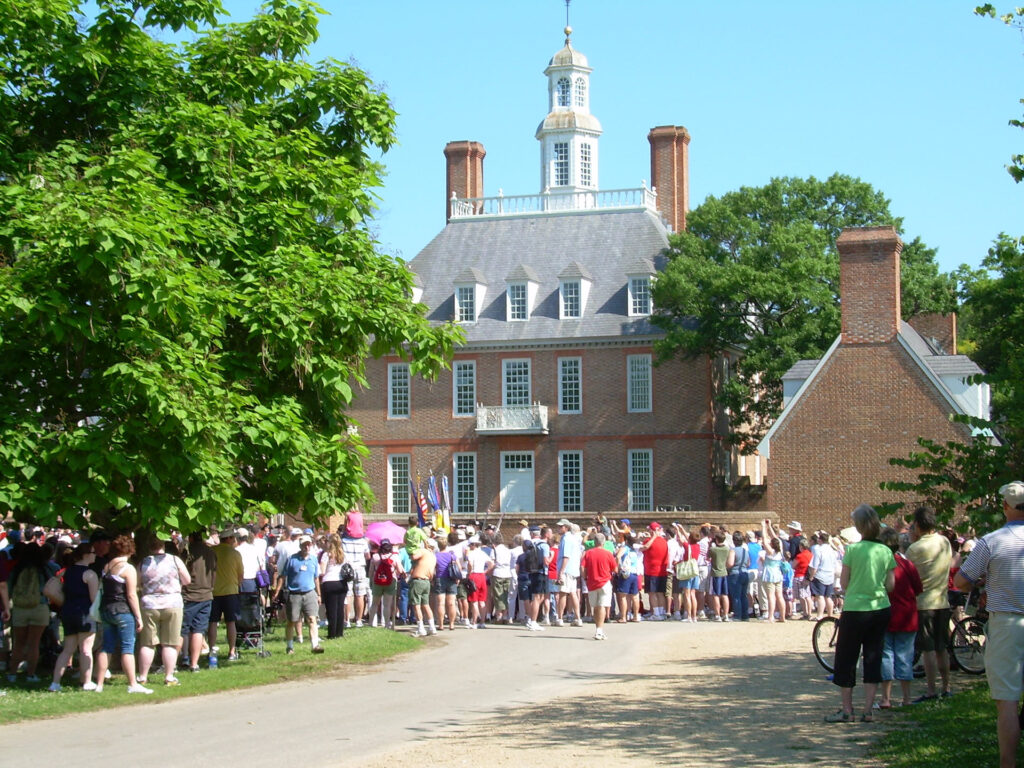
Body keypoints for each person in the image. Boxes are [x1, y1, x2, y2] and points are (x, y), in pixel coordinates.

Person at [954, 481, 1024, 768]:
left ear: (1006, 506)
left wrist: (983, 580)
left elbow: (960, 581)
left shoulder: (992, 541)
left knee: (1007, 699)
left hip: (1007, 622)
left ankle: (1007, 763)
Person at [824, 504, 895, 723]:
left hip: (855, 608)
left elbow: (844, 583)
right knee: (873, 656)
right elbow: (890, 584)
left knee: (846, 657)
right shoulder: (885, 551)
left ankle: (847, 709)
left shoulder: (852, 550)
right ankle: (868, 710)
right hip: (879, 607)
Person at [905, 504, 953, 701]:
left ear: (917, 525)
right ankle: (947, 687)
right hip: (942, 600)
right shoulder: (944, 542)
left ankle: (931, 690)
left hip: (923, 603)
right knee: (943, 648)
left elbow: (907, 575)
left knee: (928, 649)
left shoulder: (915, 549)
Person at [95, 534, 152, 694]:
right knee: (128, 647)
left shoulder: (106, 568)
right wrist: (139, 616)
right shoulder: (128, 569)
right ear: (130, 550)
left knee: (106, 647)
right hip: (123, 611)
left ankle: (99, 684)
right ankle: (133, 684)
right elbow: (131, 595)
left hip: (106, 610)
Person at [878, 527, 922, 709]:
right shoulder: (907, 565)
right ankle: (906, 697)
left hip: (885, 614)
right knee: (905, 656)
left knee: (886, 656)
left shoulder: (879, 566)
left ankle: (886, 698)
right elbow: (918, 588)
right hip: (907, 615)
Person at [137, 537, 191, 686]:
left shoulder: (144, 562)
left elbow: (137, 581)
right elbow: (187, 580)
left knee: (148, 643)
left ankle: (142, 676)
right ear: (164, 545)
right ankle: (169, 676)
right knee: (170, 643)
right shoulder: (174, 560)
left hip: (150, 604)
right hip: (172, 603)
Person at [49, 543, 100, 691]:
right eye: (92, 552)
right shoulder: (90, 574)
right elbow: (94, 598)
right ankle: (87, 681)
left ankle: (55, 682)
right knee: (86, 649)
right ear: (85, 555)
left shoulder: (67, 572)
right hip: (85, 613)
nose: (95, 555)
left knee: (67, 649)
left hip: (68, 612)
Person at [6, 542, 55, 684]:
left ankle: (13, 673)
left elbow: (9, 589)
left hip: (20, 608)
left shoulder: (17, 569)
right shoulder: (45, 568)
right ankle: (30, 674)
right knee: (34, 643)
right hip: (40, 607)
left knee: (19, 643)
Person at [274, 535, 324, 654]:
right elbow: (283, 576)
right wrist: (277, 591)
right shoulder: (292, 559)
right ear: (300, 546)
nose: (307, 547)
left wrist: (319, 594)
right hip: (294, 594)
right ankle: (290, 646)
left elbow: (316, 578)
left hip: (310, 593)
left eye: (309, 544)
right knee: (292, 621)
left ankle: (315, 645)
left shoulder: (313, 559)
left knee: (312, 619)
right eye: (305, 545)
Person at [180, 531, 217, 672]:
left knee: (182, 630)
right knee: (198, 630)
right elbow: (214, 573)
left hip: (189, 595)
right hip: (206, 595)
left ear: (190, 537)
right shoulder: (210, 552)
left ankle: (182, 658)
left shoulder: (187, 552)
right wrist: (210, 587)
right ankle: (194, 664)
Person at [209, 528, 243, 662]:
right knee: (231, 622)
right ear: (228, 538)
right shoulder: (235, 554)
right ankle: (232, 651)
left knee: (212, 622)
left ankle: (212, 650)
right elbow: (241, 575)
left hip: (214, 591)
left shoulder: (213, 552)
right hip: (230, 591)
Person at [581, 532, 617, 640]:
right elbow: (615, 569)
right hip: (604, 582)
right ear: (604, 542)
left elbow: (582, 567)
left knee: (596, 607)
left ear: (595, 542)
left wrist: (585, 577)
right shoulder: (608, 553)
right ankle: (599, 630)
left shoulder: (588, 553)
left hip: (592, 582)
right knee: (601, 606)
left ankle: (598, 629)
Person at [319, 534, 349, 639]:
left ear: (329, 543)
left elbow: (322, 571)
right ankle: (339, 632)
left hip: (329, 582)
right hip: (341, 583)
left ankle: (331, 634)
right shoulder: (343, 555)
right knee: (340, 609)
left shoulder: (326, 555)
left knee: (331, 609)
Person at [554, 519, 583, 627]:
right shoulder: (574, 539)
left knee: (563, 594)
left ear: (566, 527)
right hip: (573, 570)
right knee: (573, 593)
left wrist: (561, 571)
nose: (558, 528)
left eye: (560, 527)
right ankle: (578, 618)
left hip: (566, 570)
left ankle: (560, 618)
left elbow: (566, 556)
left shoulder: (566, 539)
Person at [369, 538, 403, 629]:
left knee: (375, 603)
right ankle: (387, 624)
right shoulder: (394, 557)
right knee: (387, 604)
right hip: (390, 581)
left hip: (377, 581)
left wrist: (371, 581)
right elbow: (400, 570)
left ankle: (371, 623)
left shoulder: (375, 556)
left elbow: (371, 571)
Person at [806, 531, 839, 620]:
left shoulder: (818, 550)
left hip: (820, 575)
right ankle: (830, 615)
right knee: (828, 597)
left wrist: (811, 576)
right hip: (830, 575)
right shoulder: (832, 550)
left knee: (820, 596)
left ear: (820, 540)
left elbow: (814, 565)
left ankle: (820, 615)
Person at [641, 522, 669, 620]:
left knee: (652, 593)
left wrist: (652, 537)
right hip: (662, 571)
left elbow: (643, 548)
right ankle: (661, 613)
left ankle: (656, 614)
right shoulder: (664, 541)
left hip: (651, 571)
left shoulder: (648, 541)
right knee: (660, 593)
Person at [408, 540, 437, 636]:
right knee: (426, 604)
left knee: (416, 605)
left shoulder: (423, 551)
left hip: (418, 580)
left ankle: (420, 628)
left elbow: (413, 556)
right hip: (427, 581)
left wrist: (411, 549)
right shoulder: (433, 556)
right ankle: (432, 627)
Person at [760, 520, 786, 623]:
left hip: (770, 574)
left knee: (771, 596)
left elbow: (764, 540)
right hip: (778, 574)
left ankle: (771, 617)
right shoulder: (780, 550)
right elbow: (776, 538)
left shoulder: (770, 551)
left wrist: (763, 527)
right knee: (779, 596)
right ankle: (782, 617)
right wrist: (769, 526)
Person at [615, 533, 643, 623]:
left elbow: (618, 556)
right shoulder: (634, 550)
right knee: (635, 596)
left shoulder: (624, 548)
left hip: (626, 573)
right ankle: (635, 615)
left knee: (623, 595)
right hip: (634, 573)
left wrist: (618, 567)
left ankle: (623, 617)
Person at [465, 536, 493, 628]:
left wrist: (469, 573)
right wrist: (485, 572)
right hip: (482, 576)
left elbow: (469, 564)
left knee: (474, 601)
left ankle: (474, 622)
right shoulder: (482, 553)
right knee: (482, 600)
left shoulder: (471, 554)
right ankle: (482, 622)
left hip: (474, 575)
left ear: (473, 545)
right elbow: (491, 564)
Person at [727, 531, 751, 621]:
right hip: (745, 573)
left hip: (735, 574)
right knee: (743, 595)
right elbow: (748, 563)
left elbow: (730, 563)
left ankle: (737, 615)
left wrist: (727, 566)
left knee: (736, 596)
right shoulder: (745, 550)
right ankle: (745, 615)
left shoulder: (733, 551)